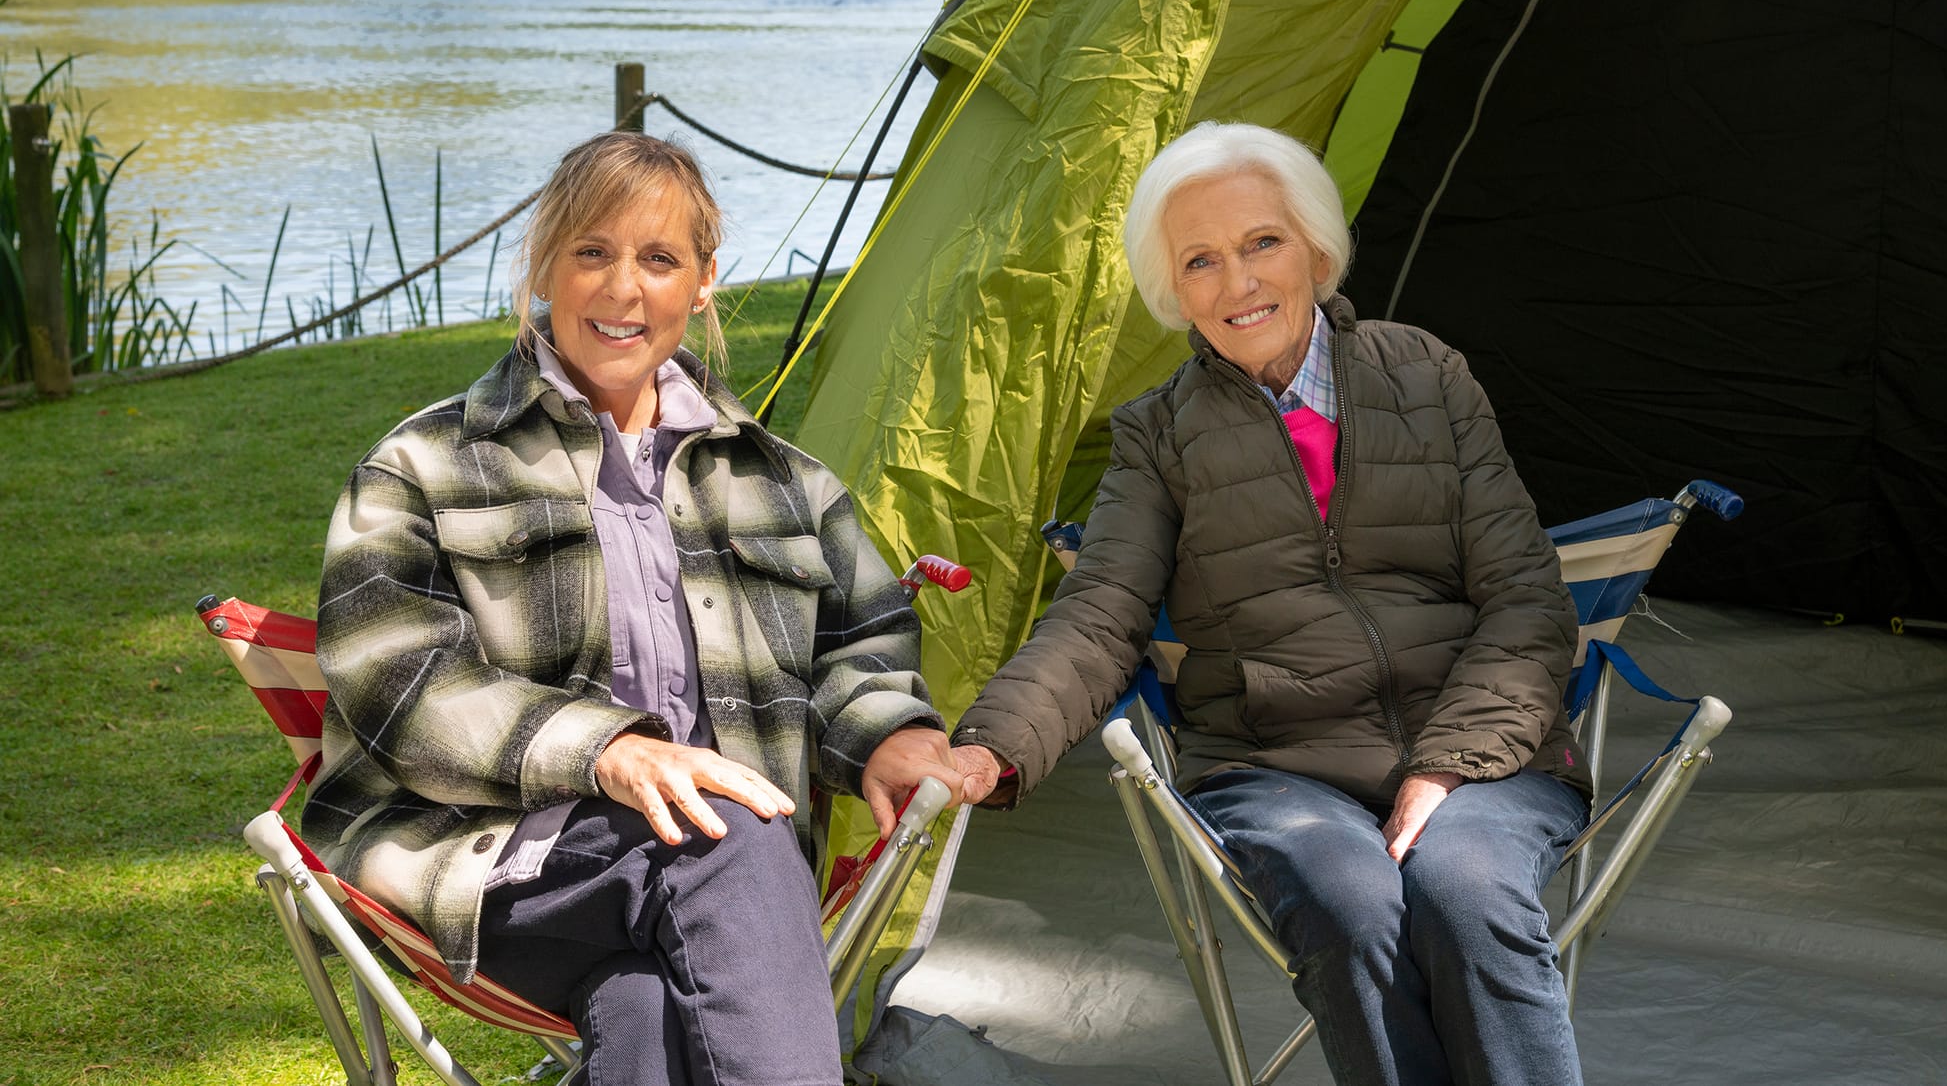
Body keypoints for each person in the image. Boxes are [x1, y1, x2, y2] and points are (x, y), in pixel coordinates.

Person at [304, 131, 964, 1086]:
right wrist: (606, 750)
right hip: (488, 866)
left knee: (645, 1009)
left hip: (721, 902)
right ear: (543, 264)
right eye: (592, 253)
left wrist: (887, 733)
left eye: (659, 259)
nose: (624, 289)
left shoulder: (789, 485)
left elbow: (859, 648)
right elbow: (399, 683)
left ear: (702, 283)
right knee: (722, 829)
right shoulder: (423, 469)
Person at [951, 121, 1593, 1086]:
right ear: (1174, 293)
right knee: (1349, 902)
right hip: (1277, 764)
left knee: (1466, 888)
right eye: (1200, 261)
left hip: (1484, 750)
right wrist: (994, 745)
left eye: (1263, 242)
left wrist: (1452, 765)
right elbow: (1101, 615)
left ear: (1316, 249)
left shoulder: (1426, 373)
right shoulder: (1156, 437)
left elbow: (1527, 598)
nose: (1238, 283)